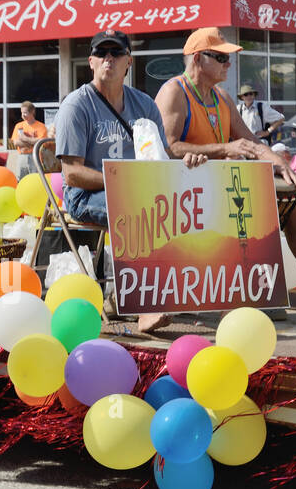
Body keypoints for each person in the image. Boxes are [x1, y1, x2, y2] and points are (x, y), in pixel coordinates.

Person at [155, 26, 296, 309]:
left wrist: (280, 164)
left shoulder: (221, 97)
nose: (228, 63)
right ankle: (251, 297)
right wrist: (224, 149)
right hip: (187, 198)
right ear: (198, 58)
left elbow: (251, 143)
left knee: (294, 198)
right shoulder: (174, 91)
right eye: (221, 58)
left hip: (221, 188)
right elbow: (169, 146)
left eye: (228, 57)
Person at [56, 31, 202, 333]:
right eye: (102, 53)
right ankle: (144, 308)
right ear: (91, 62)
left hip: (138, 192)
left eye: (116, 53)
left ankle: (144, 294)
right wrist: (124, 184)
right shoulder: (76, 105)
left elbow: (158, 161)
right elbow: (71, 174)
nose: (109, 58)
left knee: (185, 207)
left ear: (128, 63)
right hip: (85, 195)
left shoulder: (144, 104)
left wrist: (186, 164)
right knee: (139, 213)